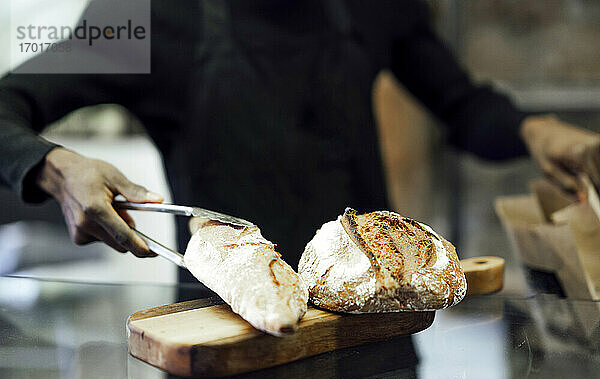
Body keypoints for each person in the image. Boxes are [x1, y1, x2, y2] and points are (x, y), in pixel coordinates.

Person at [1, 0, 599, 286]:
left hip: (372, 340)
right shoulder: (144, 17)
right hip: (226, 343)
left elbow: (462, 107)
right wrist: (54, 168)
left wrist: (531, 129)